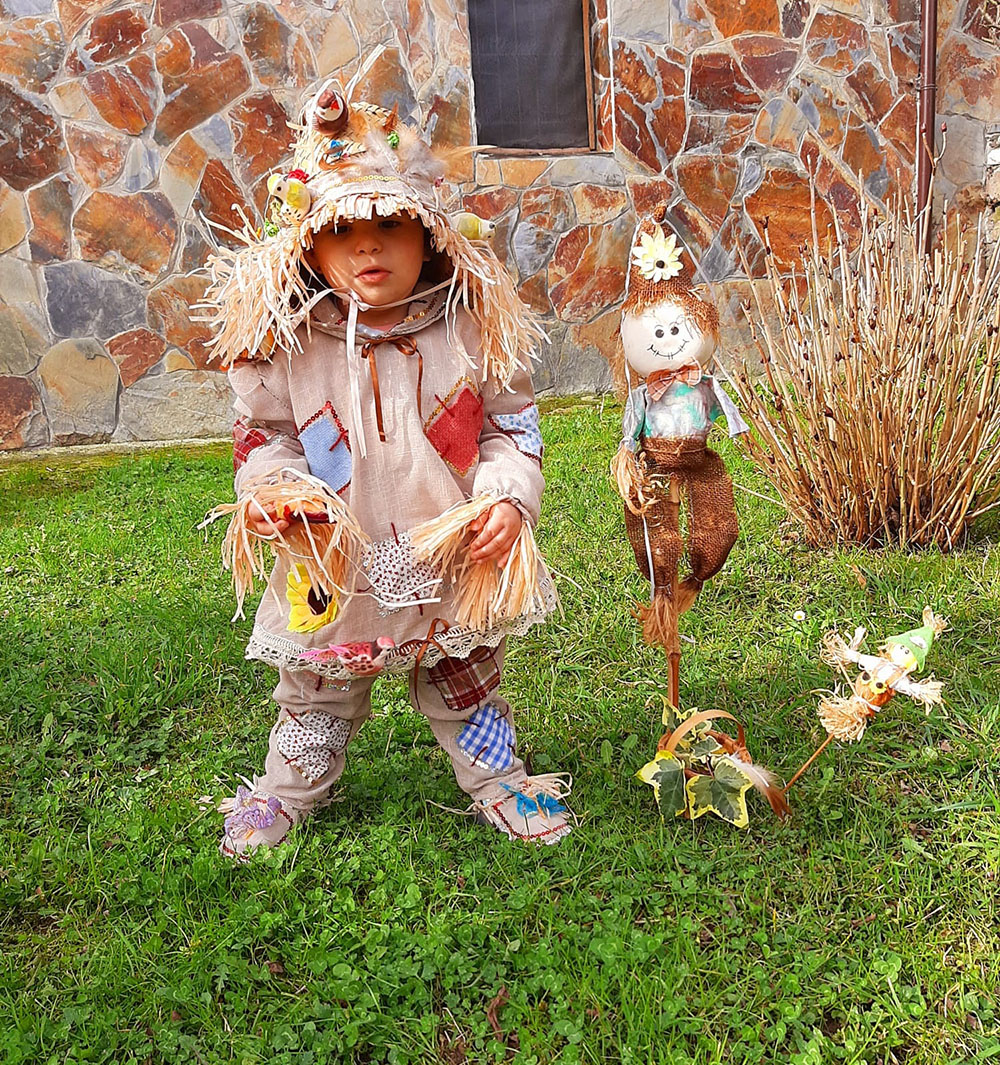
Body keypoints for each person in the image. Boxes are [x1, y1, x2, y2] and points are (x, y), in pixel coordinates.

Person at [200, 66, 572, 859]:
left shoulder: (471, 328)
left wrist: (508, 498)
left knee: (466, 675)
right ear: (308, 244)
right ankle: (290, 787)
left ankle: (499, 779)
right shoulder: (289, 345)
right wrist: (269, 492)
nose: (366, 244)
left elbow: (513, 428)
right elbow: (264, 438)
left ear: (429, 235)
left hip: (445, 554)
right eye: (340, 230)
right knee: (317, 689)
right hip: (335, 560)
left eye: (389, 226)